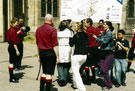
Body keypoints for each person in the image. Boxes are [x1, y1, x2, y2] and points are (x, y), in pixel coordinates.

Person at [36, 14, 59, 91]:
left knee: (44, 72)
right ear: (52, 20)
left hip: (42, 52)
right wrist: (58, 57)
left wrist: (39, 55)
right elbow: (55, 45)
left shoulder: (38, 29)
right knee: (49, 74)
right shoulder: (52, 30)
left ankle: (41, 89)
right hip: (50, 53)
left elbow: (38, 44)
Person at [93, 21, 114, 90]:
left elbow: (104, 42)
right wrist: (99, 36)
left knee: (104, 70)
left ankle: (108, 85)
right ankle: (107, 82)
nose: (104, 26)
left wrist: (96, 38)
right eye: (104, 24)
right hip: (102, 53)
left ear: (109, 26)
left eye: (105, 25)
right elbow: (99, 41)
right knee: (102, 69)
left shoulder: (109, 33)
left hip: (108, 53)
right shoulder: (104, 33)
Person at [70, 22, 89, 91]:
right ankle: (75, 85)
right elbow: (88, 43)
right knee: (77, 70)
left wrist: (72, 37)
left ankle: (81, 88)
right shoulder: (86, 35)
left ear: (77, 28)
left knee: (75, 72)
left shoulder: (76, 35)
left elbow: (71, 44)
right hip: (84, 56)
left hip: (77, 55)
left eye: (75, 26)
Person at [57, 20, 73, 86]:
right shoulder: (70, 32)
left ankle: (61, 78)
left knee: (59, 64)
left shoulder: (58, 32)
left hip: (60, 48)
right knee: (66, 64)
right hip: (67, 48)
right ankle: (65, 79)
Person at [85, 18, 100, 85]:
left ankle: (88, 79)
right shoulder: (95, 29)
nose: (84, 24)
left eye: (85, 22)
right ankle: (94, 78)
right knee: (93, 64)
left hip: (90, 48)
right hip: (95, 48)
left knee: (87, 64)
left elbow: (87, 40)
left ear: (89, 23)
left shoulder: (88, 30)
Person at [6, 17, 20, 83]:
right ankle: (11, 78)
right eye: (16, 23)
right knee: (11, 63)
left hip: (10, 47)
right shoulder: (13, 30)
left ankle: (12, 76)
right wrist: (17, 50)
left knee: (12, 62)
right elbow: (14, 42)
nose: (17, 25)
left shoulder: (10, 30)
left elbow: (12, 36)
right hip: (12, 48)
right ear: (13, 23)